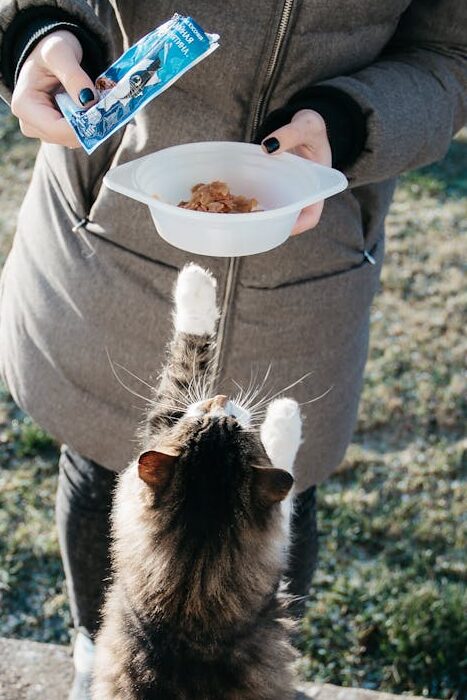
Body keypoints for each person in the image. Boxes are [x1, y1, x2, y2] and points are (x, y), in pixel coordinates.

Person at [0, 2, 466, 698]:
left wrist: (346, 123)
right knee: (101, 459)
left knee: (276, 499)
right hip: (116, 225)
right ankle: (102, 663)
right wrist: (36, 32)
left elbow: (450, 57)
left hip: (311, 255)